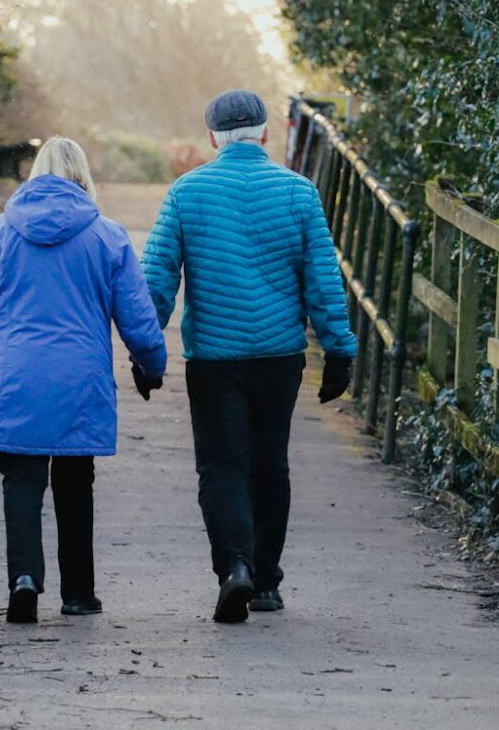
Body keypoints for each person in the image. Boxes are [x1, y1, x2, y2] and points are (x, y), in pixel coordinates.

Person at [141, 89, 356, 624]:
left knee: (221, 467)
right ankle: (265, 583)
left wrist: (146, 351)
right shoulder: (297, 192)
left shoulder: (186, 193)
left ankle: (233, 567)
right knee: (269, 465)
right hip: (279, 357)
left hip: (214, 358)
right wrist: (339, 350)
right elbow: (322, 280)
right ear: (264, 133)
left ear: (212, 137)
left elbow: (156, 280)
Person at [0, 136, 166, 624]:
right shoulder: (108, 236)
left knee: (21, 478)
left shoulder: (1, 233)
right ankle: (77, 593)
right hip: (79, 379)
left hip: (14, 376)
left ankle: (24, 578)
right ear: (83, 177)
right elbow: (138, 315)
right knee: (75, 481)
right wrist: (150, 365)